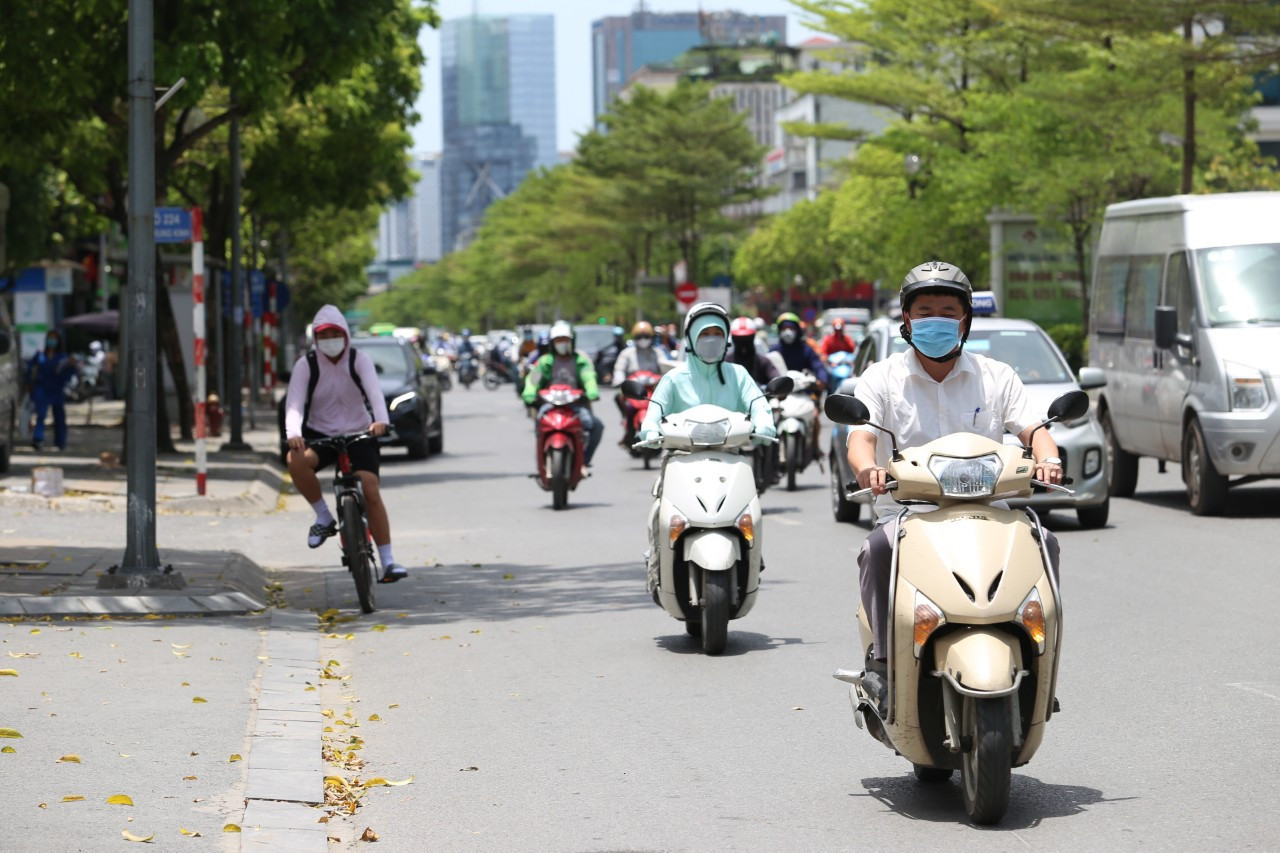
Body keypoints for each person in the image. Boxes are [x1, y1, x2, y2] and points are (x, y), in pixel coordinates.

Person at [846, 260, 1064, 711]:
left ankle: (1040, 660)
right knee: (878, 549)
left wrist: (1049, 459)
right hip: (909, 513)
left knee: (1044, 542)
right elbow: (860, 439)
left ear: (965, 320)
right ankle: (883, 662)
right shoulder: (881, 378)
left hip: (989, 512)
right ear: (907, 320)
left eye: (947, 312)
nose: (936, 321)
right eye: (924, 312)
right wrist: (868, 469)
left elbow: (1034, 430)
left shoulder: (996, 375)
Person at [638, 303, 777, 592]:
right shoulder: (674, 378)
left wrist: (765, 423)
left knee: (750, 510)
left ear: (726, 337)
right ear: (690, 338)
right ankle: (656, 568)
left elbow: (757, 403)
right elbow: (654, 410)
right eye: (704, 334)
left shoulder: (738, 374)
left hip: (730, 456)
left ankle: (753, 556)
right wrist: (649, 428)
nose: (711, 339)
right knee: (660, 512)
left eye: (717, 333)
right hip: (681, 457)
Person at [284, 305, 407, 583]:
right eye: (323, 335)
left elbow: (375, 393)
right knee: (295, 460)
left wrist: (380, 421)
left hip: (359, 434)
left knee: (370, 488)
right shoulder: (306, 365)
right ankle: (323, 517)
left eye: (335, 334)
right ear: (315, 338)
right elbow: (294, 405)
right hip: (321, 435)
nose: (330, 340)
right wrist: (294, 433)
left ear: (345, 335)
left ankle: (388, 561)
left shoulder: (359, 359)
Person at [522, 321, 604, 469]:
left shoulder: (580, 361)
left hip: (575, 405)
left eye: (564, 339)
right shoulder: (544, 362)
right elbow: (533, 380)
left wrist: (592, 392)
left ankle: (583, 461)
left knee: (596, 426)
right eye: (558, 340)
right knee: (539, 423)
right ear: (552, 343)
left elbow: (588, 377)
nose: (561, 343)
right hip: (550, 405)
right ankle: (542, 463)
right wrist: (529, 394)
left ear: (571, 341)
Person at [770, 312, 828, 461]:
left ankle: (815, 447)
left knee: (814, 416)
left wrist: (821, 379)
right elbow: (766, 368)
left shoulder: (806, 349)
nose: (787, 332)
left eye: (791, 328)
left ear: (797, 330)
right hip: (781, 394)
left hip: (804, 392)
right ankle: (768, 451)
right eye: (784, 328)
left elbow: (818, 366)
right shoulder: (774, 351)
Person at [25, 329, 77, 452]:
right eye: (50, 338)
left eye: (54, 338)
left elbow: (68, 375)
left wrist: (71, 366)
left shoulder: (63, 357)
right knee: (41, 415)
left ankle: (60, 442)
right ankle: (38, 439)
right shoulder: (40, 355)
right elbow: (29, 371)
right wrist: (27, 385)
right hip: (41, 389)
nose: (52, 341)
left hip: (57, 389)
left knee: (59, 416)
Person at [729, 316, 780, 388]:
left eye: (747, 338)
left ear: (753, 337)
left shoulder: (763, 362)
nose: (743, 342)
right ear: (733, 338)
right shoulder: (725, 362)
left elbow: (776, 380)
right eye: (739, 338)